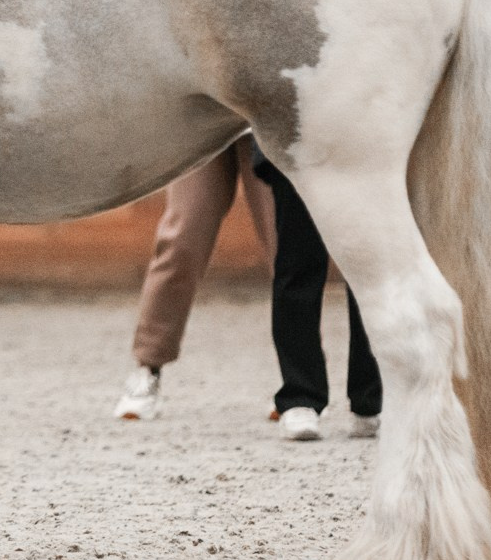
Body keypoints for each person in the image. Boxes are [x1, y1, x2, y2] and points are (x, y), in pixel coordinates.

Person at [112, 135, 273, 419]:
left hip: (262, 115)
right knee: (183, 235)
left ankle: (300, 384)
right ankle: (148, 366)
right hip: (207, 111)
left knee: (286, 244)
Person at [255, 145, 382, 441]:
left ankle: (371, 401)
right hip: (297, 143)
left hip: (363, 136)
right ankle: (300, 397)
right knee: (297, 264)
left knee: (367, 267)